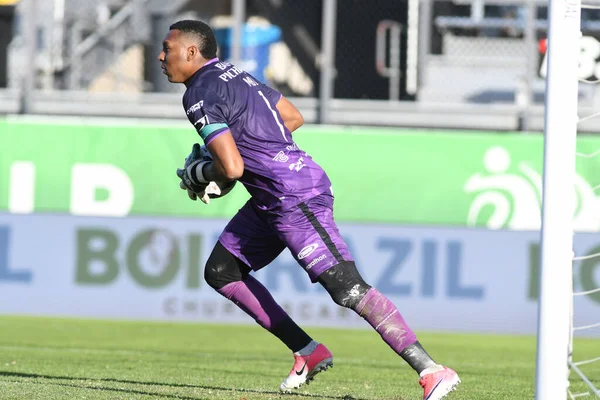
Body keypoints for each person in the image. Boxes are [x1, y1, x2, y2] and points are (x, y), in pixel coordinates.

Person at [159, 19, 460, 400]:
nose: (160, 56)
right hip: (273, 196)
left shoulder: (197, 93)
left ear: (190, 52)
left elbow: (231, 170)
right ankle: (307, 351)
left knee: (346, 288)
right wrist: (228, 159)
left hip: (294, 195)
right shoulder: (235, 74)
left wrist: (202, 171)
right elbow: (292, 117)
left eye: (166, 49)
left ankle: (432, 370)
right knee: (221, 271)